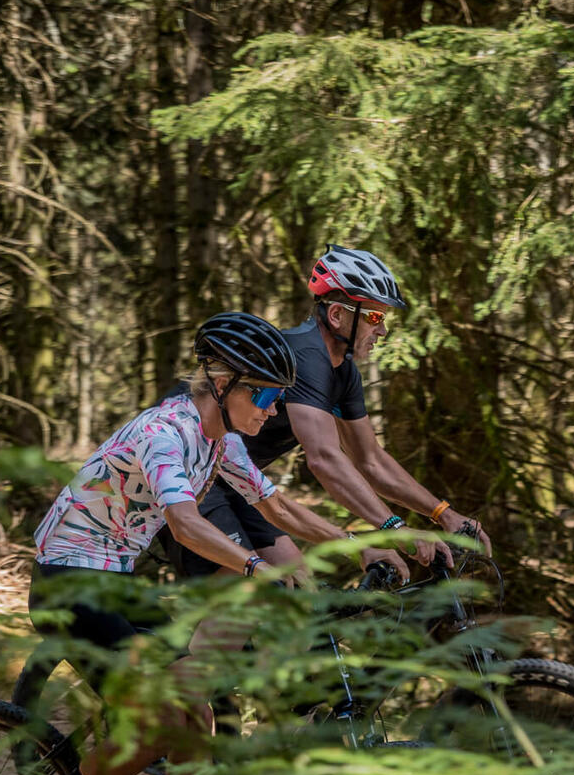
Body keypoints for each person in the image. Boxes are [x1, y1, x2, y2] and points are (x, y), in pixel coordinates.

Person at [7, 311, 406, 775]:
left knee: (197, 704)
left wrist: (360, 546)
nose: (272, 411)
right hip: (68, 581)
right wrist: (252, 567)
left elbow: (277, 509)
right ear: (225, 384)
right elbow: (187, 525)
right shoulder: (164, 433)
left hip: (112, 578)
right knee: (167, 717)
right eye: (266, 395)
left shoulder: (222, 441)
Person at [165, 245, 493, 581]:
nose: (382, 331)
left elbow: (371, 460)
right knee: (242, 591)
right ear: (337, 315)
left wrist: (443, 514)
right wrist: (393, 527)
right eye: (375, 318)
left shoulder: (343, 371)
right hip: (187, 474)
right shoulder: (306, 356)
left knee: (300, 583)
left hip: (237, 480)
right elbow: (323, 457)